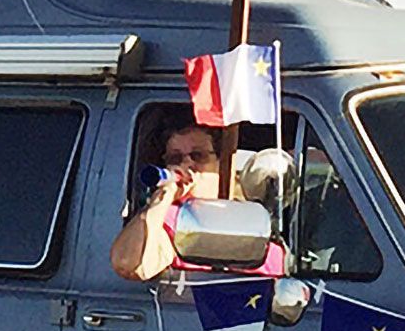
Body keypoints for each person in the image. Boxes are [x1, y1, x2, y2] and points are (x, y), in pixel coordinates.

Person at [110, 113, 287, 284]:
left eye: (198, 156)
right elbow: (128, 264)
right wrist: (162, 199)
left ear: (221, 162)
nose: (187, 164)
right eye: (176, 158)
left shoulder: (253, 213)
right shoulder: (169, 219)